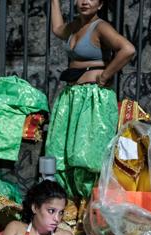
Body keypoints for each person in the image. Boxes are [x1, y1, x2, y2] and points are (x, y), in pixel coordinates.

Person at [45, 0, 136, 202]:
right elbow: (59, 30)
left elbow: (127, 49)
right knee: (62, 153)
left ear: (101, 4)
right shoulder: (76, 25)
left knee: (86, 155)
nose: (85, 1)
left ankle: (89, 207)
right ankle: (68, 204)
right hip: (72, 97)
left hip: (93, 99)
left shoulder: (101, 27)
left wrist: (105, 76)